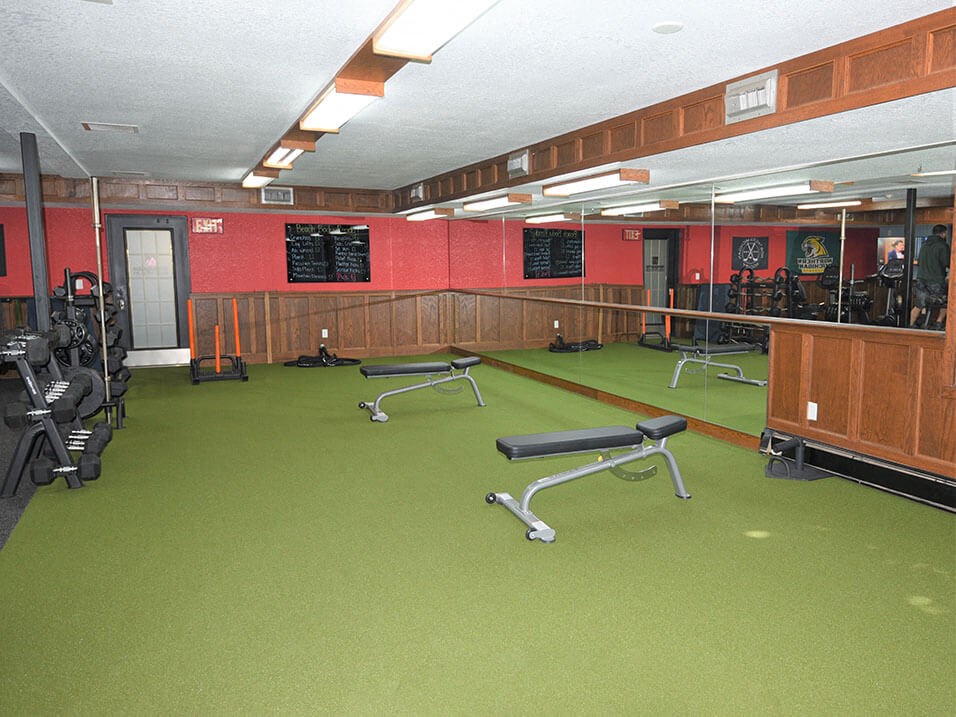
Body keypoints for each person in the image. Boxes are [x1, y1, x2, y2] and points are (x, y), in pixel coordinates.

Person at [910, 224, 950, 329]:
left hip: (921, 279)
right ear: (943, 233)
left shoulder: (924, 244)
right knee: (945, 302)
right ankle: (938, 322)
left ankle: (909, 325)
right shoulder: (943, 246)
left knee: (919, 304)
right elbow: (947, 263)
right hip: (936, 280)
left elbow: (919, 262)